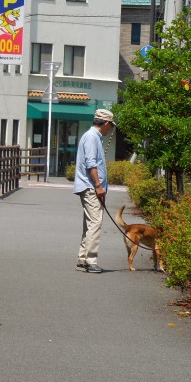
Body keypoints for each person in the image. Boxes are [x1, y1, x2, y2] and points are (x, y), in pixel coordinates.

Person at [74, 108, 116, 274]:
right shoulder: (92, 137)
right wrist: (98, 186)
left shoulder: (91, 136)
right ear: (105, 123)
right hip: (91, 187)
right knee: (95, 224)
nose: (110, 129)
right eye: (110, 126)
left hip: (88, 186)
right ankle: (90, 261)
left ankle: (82, 259)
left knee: (89, 224)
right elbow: (91, 164)